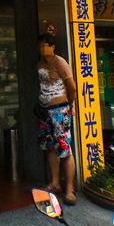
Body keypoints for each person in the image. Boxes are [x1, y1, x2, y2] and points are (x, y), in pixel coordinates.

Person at [36, 33, 77, 206]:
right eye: (40, 45)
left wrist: (70, 106)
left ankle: (70, 189)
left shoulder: (60, 62)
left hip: (60, 111)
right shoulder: (39, 64)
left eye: (45, 45)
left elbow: (72, 87)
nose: (42, 48)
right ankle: (55, 183)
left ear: (53, 47)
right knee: (50, 147)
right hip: (45, 112)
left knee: (65, 149)